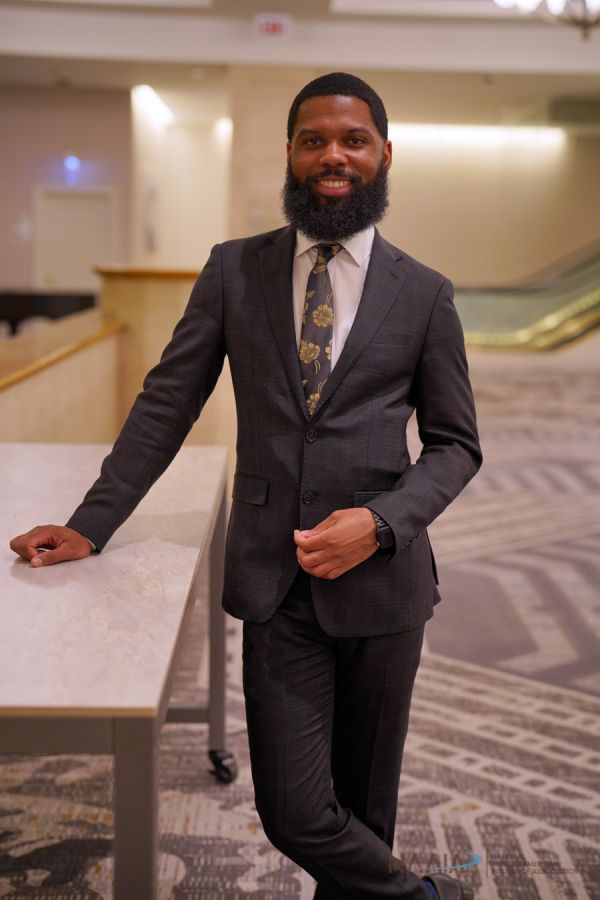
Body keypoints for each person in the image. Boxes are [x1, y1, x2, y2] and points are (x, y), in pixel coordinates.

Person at [10, 73, 481, 899]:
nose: (333, 156)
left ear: (384, 154)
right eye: (313, 140)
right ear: (290, 153)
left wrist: (379, 523)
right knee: (294, 812)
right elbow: (167, 403)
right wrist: (92, 522)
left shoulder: (425, 293)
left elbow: (454, 446)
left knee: (365, 813)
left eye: (354, 140)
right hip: (274, 579)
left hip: (385, 587)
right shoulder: (234, 271)